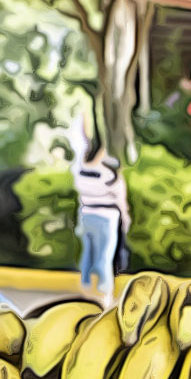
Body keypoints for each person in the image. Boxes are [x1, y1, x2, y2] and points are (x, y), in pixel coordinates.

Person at [69, 115, 131, 307]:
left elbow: (80, 144)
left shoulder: (80, 170)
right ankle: (106, 297)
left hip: (86, 214)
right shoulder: (110, 173)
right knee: (105, 256)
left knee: (88, 253)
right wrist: (126, 218)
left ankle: (86, 288)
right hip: (107, 216)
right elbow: (121, 199)